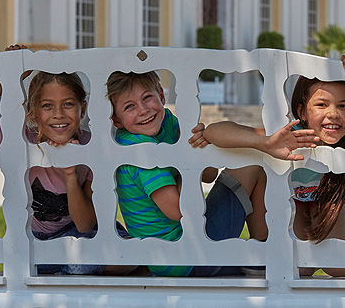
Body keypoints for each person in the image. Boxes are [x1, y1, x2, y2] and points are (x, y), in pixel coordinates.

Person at [196, 54, 345, 277]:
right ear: (302, 111)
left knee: (335, 264)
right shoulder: (288, 137)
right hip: (285, 212)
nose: (333, 114)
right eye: (321, 105)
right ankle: (264, 254)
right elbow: (212, 130)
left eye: (343, 106)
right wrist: (265, 143)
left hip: (325, 203)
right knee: (298, 266)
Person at [0, 44, 135, 276]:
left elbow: (85, 224)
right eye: (47, 106)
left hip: (81, 232)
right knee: (76, 259)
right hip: (40, 239)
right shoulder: (20, 138)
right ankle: (70, 268)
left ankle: (70, 268)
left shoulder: (91, 146)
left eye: (68, 104)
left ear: (82, 108)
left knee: (130, 252)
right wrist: (7, 80)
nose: (58, 114)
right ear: (33, 111)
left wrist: (70, 174)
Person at [107, 70, 297, 277]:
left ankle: (258, 258)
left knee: (242, 156)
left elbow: (208, 174)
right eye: (129, 107)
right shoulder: (140, 150)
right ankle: (261, 258)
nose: (143, 110)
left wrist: (201, 147)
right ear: (116, 120)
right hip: (186, 256)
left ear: (161, 96)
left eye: (147, 98)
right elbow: (178, 211)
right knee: (253, 167)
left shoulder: (167, 123)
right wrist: (188, 163)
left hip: (181, 253)